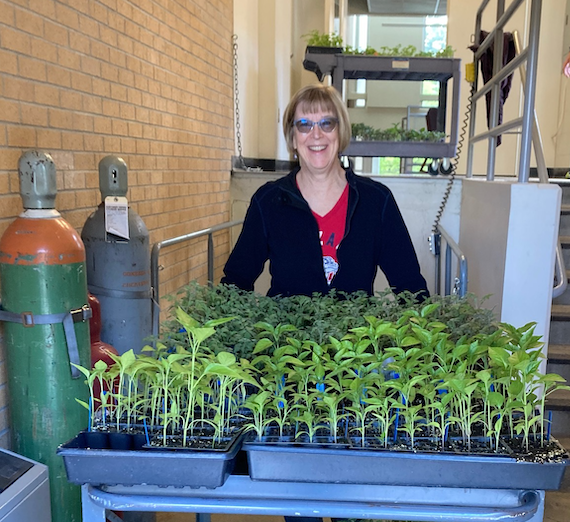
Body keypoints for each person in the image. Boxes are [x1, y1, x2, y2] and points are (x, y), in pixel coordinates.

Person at [222, 83, 428, 300]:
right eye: (304, 125)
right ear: (293, 137)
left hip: (355, 335)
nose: (316, 134)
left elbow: (411, 289)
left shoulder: (376, 201)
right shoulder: (269, 202)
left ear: (340, 131)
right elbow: (235, 285)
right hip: (288, 334)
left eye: (327, 123)